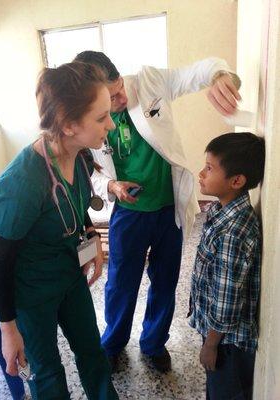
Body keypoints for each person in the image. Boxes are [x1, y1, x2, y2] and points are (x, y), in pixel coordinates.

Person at [74, 50, 242, 373]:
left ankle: (153, 342)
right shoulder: (88, 119)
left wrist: (221, 75)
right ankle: (113, 343)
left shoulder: (149, 81)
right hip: (128, 211)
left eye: (119, 87)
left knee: (166, 281)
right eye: (110, 98)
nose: (121, 98)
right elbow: (90, 170)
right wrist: (112, 186)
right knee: (121, 284)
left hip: (169, 210)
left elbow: (197, 71)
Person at [0, 62, 119, 399]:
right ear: (70, 124)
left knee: (93, 353)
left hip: (70, 277)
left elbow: (76, 207)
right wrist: (7, 330)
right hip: (31, 294)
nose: (112, 124)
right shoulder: (23, 182)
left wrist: (92, 239)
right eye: (102, 117)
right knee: (47, 373)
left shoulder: (78, 155)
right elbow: (0, 262)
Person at [188, 132, 265, 399]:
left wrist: (210, 345)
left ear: (236, 181)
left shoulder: (233, 232)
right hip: (218, 335)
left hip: (226, 343)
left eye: (209, 168)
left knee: (226, 392)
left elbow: (227, 301)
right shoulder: (220, 211)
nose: (201, 173)